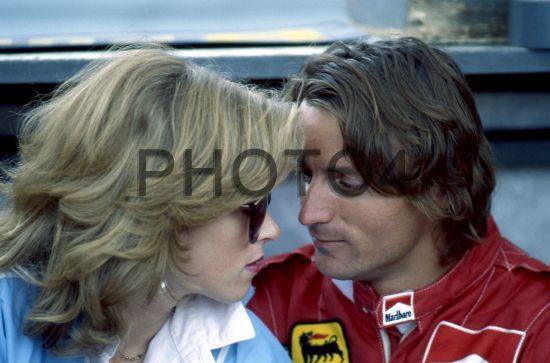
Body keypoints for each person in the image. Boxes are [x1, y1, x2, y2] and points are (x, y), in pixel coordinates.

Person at [248, 37, 549, 362]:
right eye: (307, 176)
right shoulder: (268, 296)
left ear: (442, 186)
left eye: (347, 182)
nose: (308, 214)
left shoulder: (538, 322)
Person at [0, 46, 301, 362]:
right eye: (253, 204)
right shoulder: (8, 317)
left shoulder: (244, 346)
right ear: (163, 207)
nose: (272, 230)